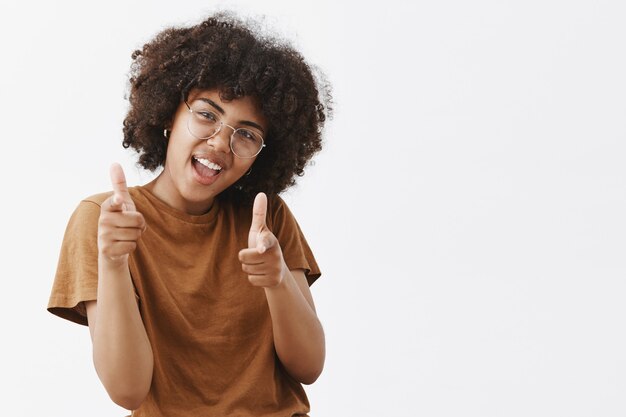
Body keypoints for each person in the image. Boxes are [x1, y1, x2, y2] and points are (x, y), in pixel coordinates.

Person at [47, 11, 331, 417]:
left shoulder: (266, 221)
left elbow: (309, 367)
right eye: (206, 114)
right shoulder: (104, 220)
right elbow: (127, 391)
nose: (220, 142)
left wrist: (278, 279)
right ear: (168, 114)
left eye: (247, 134)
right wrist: (112, 263)